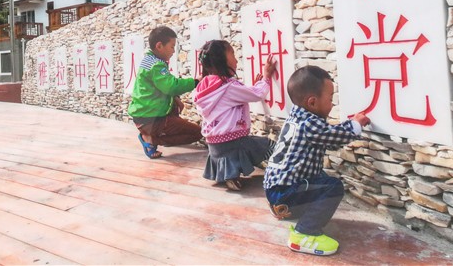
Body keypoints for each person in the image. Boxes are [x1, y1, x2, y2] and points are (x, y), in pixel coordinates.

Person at [263, 65, 371, 256]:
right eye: (330, 98)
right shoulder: (309, 124)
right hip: (284, 194)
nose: (332, 104)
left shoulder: (296, 117)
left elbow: (327, 137)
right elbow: (335, 136)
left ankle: (282, 209)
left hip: (275, 193)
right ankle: (304, 233)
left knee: (319, 177)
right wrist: (356, 123)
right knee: (333, 187)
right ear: (312, 102)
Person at [193, 40, 277, 191]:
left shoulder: (204, 86)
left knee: (239, 149)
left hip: (214, 145)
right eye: (232, 54)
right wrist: (266, 78)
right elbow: (258, 94)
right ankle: (234, 174)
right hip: (234, 142)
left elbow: (230, 100)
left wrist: (250, 88)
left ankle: (228, 174)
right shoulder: (229, 86)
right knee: (270, 146)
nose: (236, 59)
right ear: (221, 60)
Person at [128, 26, 202, 159]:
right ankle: (150, 139)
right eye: (172, 46)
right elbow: (171, 86)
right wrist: (196, 81)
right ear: (159, 46)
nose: (173, 51)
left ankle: (154, 134)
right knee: (198, 133)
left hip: (143, 114)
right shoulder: (157, 65)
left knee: (175, 104)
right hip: (151, 118)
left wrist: (176, 98)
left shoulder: (149, 60)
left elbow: (163, 86)